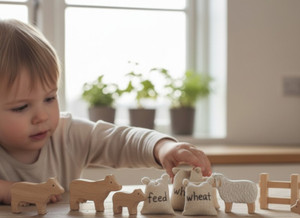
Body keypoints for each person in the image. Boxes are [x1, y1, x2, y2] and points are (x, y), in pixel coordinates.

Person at [0, 19, 212, 205]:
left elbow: (120, 140)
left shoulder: (68, 135)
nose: (42, 116)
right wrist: (8, 191)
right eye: (21, 107)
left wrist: (162, 147)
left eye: (49, 98)